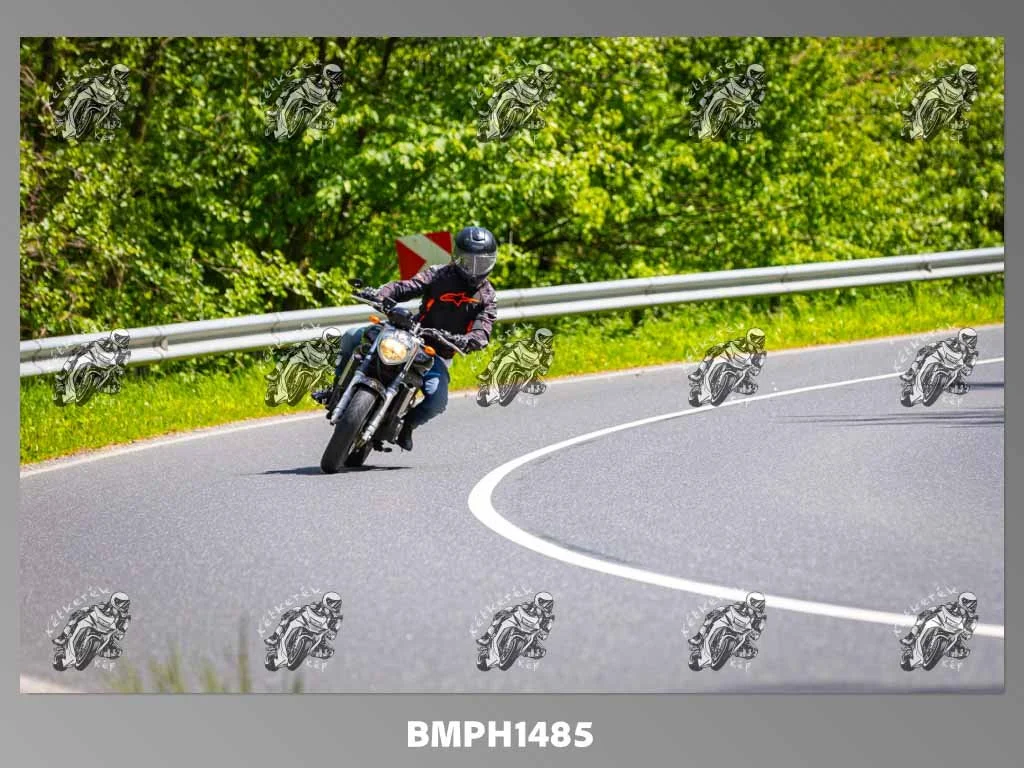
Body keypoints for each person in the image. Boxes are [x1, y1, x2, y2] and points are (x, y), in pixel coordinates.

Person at [316, 226, 499, 451]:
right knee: (352, 336)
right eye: (469, 261)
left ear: (491, 262)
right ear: (457, 256)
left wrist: (469, 340)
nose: (474, 269)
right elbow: (406, 287)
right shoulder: (439, 274)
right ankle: (335, 388)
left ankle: (407, 426)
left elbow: (483, 330)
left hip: (437, 353)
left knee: (437, 400)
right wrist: (381, 295)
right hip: (411, 333)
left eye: (481, 263)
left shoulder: (487, 296)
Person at [900, 592, 978, 670]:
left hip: (955, 632)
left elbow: (969, 632)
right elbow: (939, 608)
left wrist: (967, 632)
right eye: (970, 603)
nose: (971, 606)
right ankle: (911, 636)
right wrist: (931, 611)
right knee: (923, 617)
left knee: (964, 652)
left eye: (973, 604)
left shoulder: (973, 618)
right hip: (941, 623)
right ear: (963, 601)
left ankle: (942, 652)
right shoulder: (953, 605)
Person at [477, 592, 555, 661]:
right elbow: (515, 608)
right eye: (546, 603)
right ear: (539, 601)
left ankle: (518, 652)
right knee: (500, 616)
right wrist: (507, 611)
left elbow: (545, 634)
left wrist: (542, 632)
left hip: (530, 634)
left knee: (542, 652)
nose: (548, 606)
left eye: (550, 604)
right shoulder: (529, 605)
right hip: (518, 625)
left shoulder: (549, 618)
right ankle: (487, 637)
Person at [900, 327, 978, 396]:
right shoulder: (953, 341)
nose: (972, 341)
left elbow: (971, 364)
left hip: (956, 370)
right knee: (922, 352)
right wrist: (930, 347)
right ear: (963, 337)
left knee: (963, 388)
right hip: (943, 360)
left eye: (974, 339)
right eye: (970, 339)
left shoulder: (973, 353)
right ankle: (911, 373)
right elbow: (940, 344)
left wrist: (968, 367)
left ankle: (947, 387)